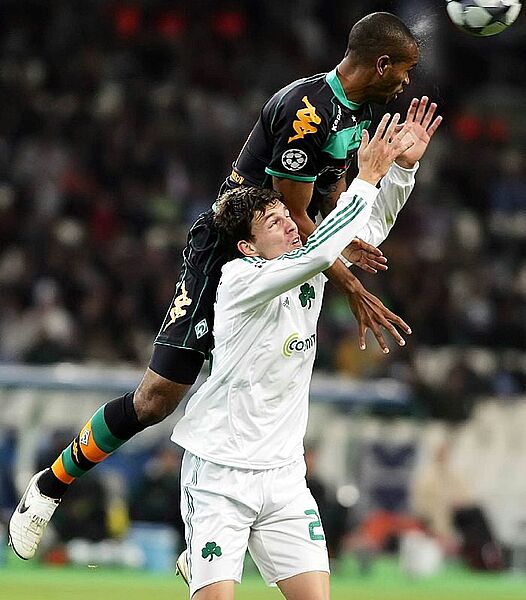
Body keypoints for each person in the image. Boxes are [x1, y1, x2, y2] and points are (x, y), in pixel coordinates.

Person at [8, 11, 440, 560]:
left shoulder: (368, 110)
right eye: (404, 69)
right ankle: (52, 483)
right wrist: (349, 281)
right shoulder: (304, 111)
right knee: (156, 399)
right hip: (233, 249)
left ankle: (211, 520)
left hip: (292, 245)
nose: (407, 81)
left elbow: (327, 202)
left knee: (269, 379)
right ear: (380, 64)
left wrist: (371, 205)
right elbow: (294, 214)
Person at [170, 113, 431, 599]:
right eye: (275, 222)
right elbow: (322, 252)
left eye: (288, 216)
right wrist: (366, 177)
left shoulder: (309, 261)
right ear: (247, 246)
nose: (291, 223)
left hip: (284, 476)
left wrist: (401, 171)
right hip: (221, 474)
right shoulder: (241, 280)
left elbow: (365, 230)